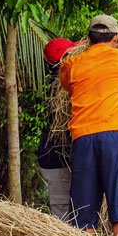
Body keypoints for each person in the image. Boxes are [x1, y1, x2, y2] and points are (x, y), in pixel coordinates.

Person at [59, 15, 118, 236]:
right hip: (114, 135)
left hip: (82, 137)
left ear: (88, 40)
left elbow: (66, 85)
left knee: (83, 204)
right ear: (115, 38)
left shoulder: (72, 64)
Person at [37, 37, 76, 220]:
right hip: (56, 158)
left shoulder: (63, 83)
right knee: (63, 212)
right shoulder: (60, 89)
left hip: (60, 157)